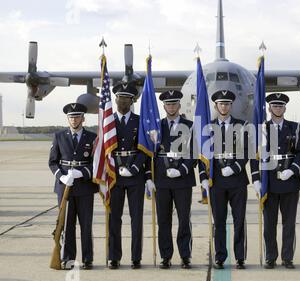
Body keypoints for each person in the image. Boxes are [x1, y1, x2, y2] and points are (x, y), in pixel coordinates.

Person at [252, 93, 300, 269]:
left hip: (290, 181)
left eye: (280, 106)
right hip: (270, 181)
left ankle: (287, 257)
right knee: (269, 224)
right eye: (274, 106)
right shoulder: (262, 129)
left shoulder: (295, 128)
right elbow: (255, 155)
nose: (277, 109)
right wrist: (256, 179)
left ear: (285, 108)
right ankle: (270, 257)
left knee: (289, 223)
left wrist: (293, 170)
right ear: (269, 108)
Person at [199, 90, 249, 270]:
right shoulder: (207, 128)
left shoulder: (243, 125)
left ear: (231, 106)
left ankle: (240, 257)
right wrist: (203, 178)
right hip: (217, 181)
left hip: (237, 180)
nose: (224, 106)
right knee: (218, 221)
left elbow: (246, 153)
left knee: (239, 220)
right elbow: (201, 155)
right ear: (215, 106)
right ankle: (220, 257)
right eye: (221, 103)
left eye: (227, 103)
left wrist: (234, 167)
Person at [48, 102, 98, 270]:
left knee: (86, 224)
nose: (74, 119)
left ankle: (87, 258)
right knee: (67, 224)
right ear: (67, 119)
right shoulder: (59, 136)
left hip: (84, 186)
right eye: (71, 117)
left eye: (77, 116)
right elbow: (52, 162)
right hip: (65, 188)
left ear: (83, 118)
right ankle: (68, 259)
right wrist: (61, 177)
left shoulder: (92, 138)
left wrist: (82, 173)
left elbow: (96, 164)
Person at [108, 83, 152, 270]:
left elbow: (145, 148)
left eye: (127, 98)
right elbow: (103, 148)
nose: (123, 101)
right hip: (114, 175)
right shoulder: (108, 122)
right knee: (113, 218)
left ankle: (136, 257)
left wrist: (134, 168)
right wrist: (112, 169)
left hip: (135, 176)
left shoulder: (139, 121)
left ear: (132, 101)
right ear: (115, 99)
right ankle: (113, 257)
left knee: (136, 218)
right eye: (120, 97)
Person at [153, 90, 196, 269]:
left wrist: (183, 170)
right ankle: (165, 256)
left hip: (182, 180)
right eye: (168, 104)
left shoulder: (190, 125)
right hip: (162, 180)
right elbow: (151, 154)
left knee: (184, 219)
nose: (171, 107)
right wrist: (150, 177)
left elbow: (194, 152)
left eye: (174, 104)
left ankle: (185, 255)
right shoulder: (156, 127)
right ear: (164, 107)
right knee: (163, 220)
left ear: (179, 106)